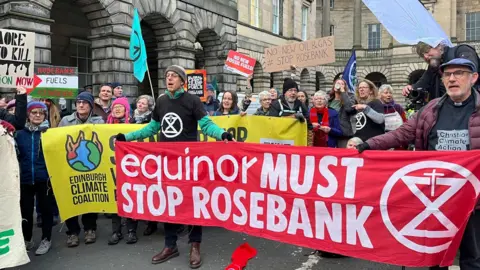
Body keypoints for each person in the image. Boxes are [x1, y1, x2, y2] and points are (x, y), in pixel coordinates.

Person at [358, 58, 480, 270]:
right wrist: (368, 144)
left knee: (473, 257)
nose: (452, 78)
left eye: (459, 73)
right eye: (447, 74)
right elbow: (402, 134)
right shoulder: (431, 109)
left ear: (474, 78)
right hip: (438, 195)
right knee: (437, 253)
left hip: (473, 198)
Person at [115, 65, 235, 268]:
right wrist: (127, 137)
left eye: (173, 76)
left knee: (193, 202)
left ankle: (195, 244)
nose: (169, 79)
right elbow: (153, 127)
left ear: (182, 81)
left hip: (189, 162)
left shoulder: (192, 101)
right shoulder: (161, 101)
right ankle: (170, 245)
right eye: (166, 76)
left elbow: (206, 125)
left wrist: (222, 134)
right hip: (167, 162)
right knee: (169, 202)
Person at [59, 91, 104, 247]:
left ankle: (90, 228)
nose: (81, 105)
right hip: (71, 165)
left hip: (91, 165)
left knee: (89, 196)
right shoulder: (65, 121)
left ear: (91, 105)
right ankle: (72, 232)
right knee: (71, 198)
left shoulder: (99, 122)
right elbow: (58, 142)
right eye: (78, 102)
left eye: (84, 102)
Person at [17, 101, 54, 256]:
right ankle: (27, 239)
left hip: (44, 179)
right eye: (34, 112)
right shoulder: (19, 133)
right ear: (28, 115)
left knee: (46, 210)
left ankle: (46, 239)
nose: (38, 115)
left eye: (41, 112)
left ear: (45, 115)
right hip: (25, 179)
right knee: (25, 212)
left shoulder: (50, 134)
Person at [402, 41, 479, 100]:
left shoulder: (462, 50)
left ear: (439, 46)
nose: (425, 57)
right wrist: (411, 88)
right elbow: (423, 83)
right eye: (422, 55)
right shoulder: (433, 66)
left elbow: (471, 70)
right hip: (446, 107)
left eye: (427, 51)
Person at [328, 79, 357, 147]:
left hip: (343, 133)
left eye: (342, 84)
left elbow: (349, 109)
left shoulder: (350, 98)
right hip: (331, 132)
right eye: (337, 83)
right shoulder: (329, 100)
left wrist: (343, 92)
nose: (339, 85)